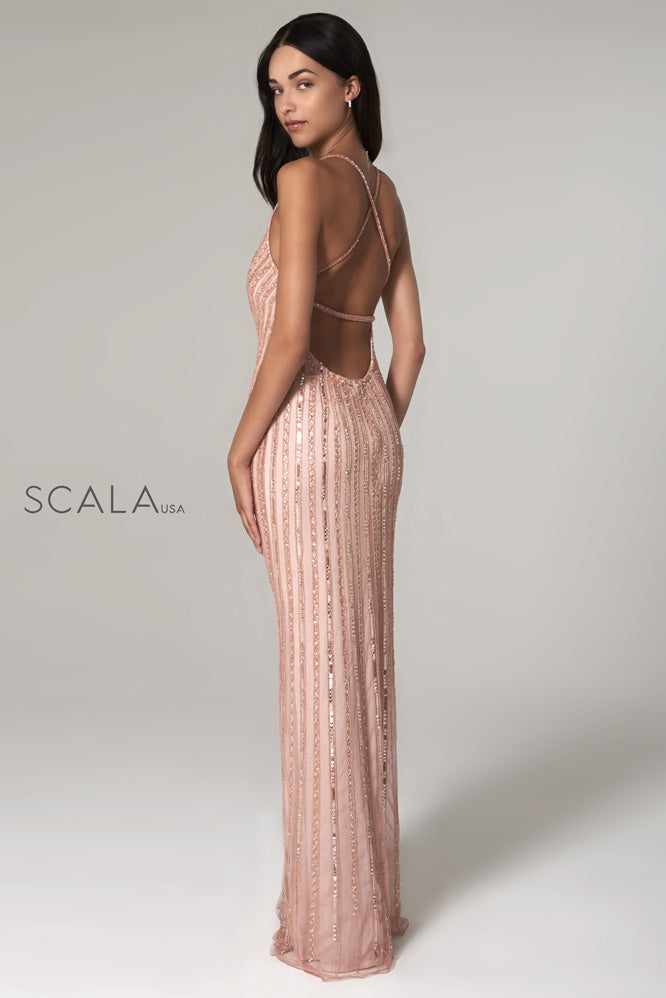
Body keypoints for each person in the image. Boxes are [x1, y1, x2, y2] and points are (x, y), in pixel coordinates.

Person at [227, 12, 425, 981]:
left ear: (353, 84)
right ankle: (366, 897)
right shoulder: (386, 195)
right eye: (275, 90)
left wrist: (240, 450)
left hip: (303, 433)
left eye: (303, 82)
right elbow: (412, 344)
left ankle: (334, 921)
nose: (286, 105)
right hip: (368, 431)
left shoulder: (304, 184)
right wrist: (373, 430)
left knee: (318, 665)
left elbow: (290, 336)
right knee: (361, 655)